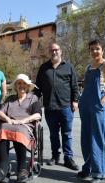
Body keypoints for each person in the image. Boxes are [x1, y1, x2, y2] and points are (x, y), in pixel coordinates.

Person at [0, 74, 42, 183]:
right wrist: (7, 119)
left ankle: (22, 169)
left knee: (19, 131)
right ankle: (2, 168)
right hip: (10, 124)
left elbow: (38, 115)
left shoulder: (33, 98)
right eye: (19, 83)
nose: (21, 85)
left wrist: (25, 120)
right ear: (16, 86)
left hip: (25, 126)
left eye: (24, 83)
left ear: (27, 86)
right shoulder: (10, 99)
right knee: (2, 128)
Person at [34, 42, 79, 170]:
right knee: (54, 134)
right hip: (49, 107)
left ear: (61, 51)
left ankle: (68, 158)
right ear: (50, 52)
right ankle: (55, 156)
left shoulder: (69, 67)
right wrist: (30, 100)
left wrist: (75, 100)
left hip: (65, 107)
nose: (54, 52)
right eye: (52, 50)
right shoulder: (44, 68)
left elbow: (74, 86)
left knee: (67, 134)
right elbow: (38, 88)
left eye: (56, 50)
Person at [77, 39, 105, 183]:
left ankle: (102, 174)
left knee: (99, 138)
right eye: (92, 49)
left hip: (99, 105)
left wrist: (103, 100)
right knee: (86, 137)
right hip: (86, 105)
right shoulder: (88, 67)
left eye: (97, 49)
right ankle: (89, 168)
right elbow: (86, 85)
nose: (94, 51)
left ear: (102, 50)